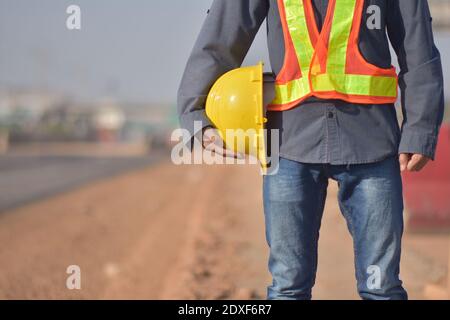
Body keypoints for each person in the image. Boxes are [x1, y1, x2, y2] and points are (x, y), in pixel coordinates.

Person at [177, 0, 444, 300]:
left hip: (371, 142)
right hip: (291, 144)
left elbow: (417, 44)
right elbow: (223, 33)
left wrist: (420, 129)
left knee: (381, 286)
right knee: (288, 286)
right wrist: (197, 114)